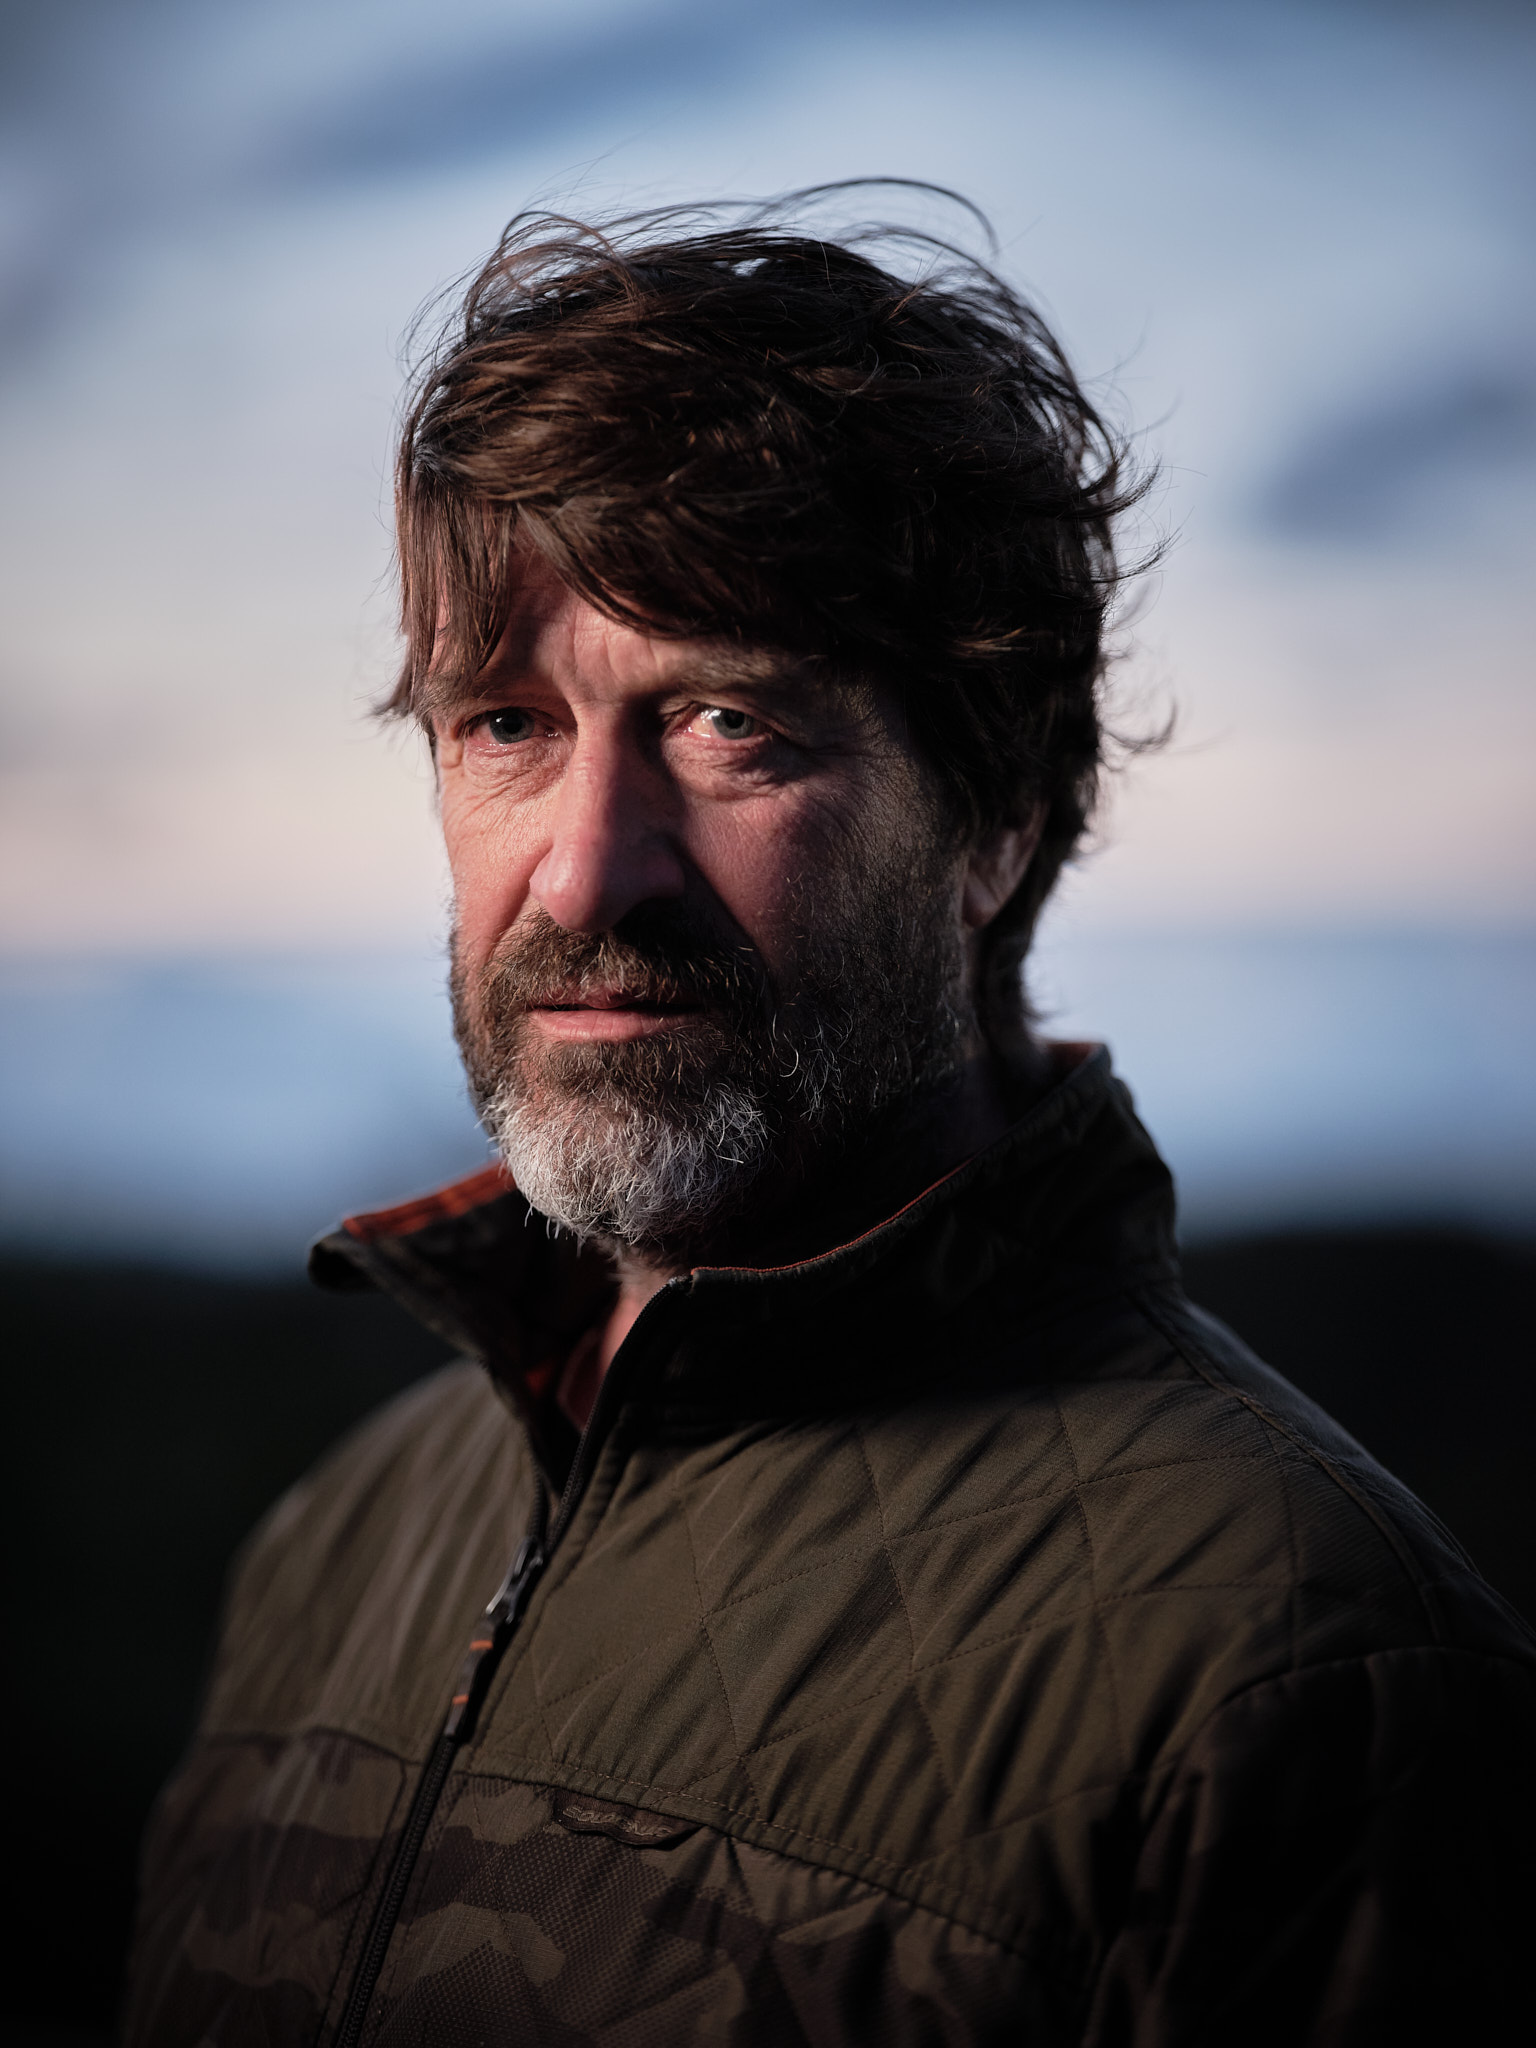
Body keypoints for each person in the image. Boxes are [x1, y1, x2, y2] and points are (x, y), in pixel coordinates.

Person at [126, 198, 1534, 2045]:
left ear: (994, 817)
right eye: (503, 725)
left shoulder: (1308, 1683)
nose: (585, 876)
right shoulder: (344, 1540)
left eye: (725, 721)